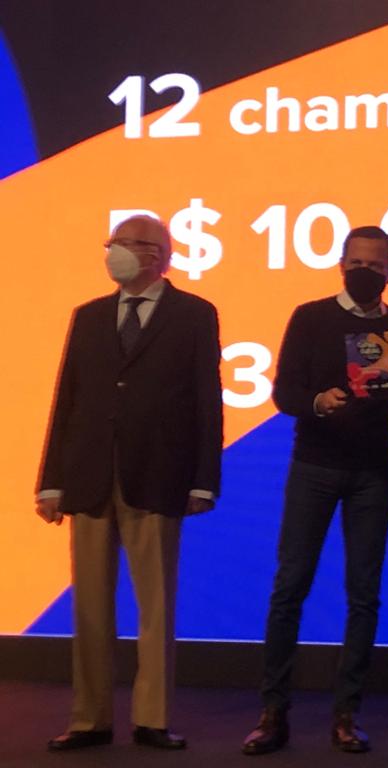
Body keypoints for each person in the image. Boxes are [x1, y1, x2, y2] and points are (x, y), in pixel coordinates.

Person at [37, 214, 222, 752]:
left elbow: (206, 400)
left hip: (158, 475)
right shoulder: (89, 315)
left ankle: (152, 717)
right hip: (89, 475)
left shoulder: (194, 313)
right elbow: (67, 399)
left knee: (155, 604)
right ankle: (89, 718)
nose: (115, 251)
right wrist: (50, 481)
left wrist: (204, 480)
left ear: (157, 254)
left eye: (127, 243)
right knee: (90, 607)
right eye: (113, 243)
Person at [241, 226, 388, 755]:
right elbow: (283, 391)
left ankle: (346, 714)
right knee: (290, 586)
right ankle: (273, 712)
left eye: (374, 265)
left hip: (373, 473)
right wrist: (317, 402)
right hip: (313, 466)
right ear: (340, 264)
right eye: (355, 262)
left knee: (364, 594)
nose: (364, 272)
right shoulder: (310, 317)